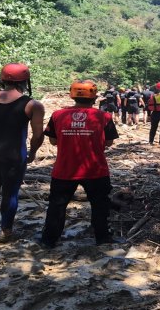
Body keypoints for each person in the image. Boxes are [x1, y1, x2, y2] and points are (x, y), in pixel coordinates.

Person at [40, 80, 120, 247]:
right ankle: (102, 237)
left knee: (57, 206)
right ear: (94, 98)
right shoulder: (104, 117)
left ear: (72, 95)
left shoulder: (57, 115)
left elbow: (53, 141)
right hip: (95, 170)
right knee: (100, 205)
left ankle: (49, 240)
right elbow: (109, 143)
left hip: (64, 170)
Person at [0, 63, 45, 242]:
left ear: (2, 79)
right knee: (10, 191)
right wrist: (33, 153)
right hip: (14, 153)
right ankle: (6, 231)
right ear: (25, 81)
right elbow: (37, 135)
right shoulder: (32, 105)